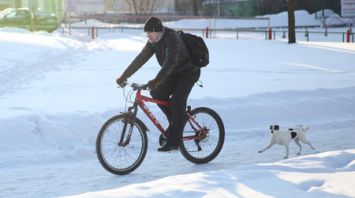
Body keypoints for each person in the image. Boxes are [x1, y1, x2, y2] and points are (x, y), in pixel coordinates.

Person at [116, 16, 200, 152]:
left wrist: (156, 80)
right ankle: (176, 123)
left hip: (188, 73)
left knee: (177, 101)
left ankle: (174, 141)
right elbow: (140, 58)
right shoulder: (153, 42)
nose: (148, 35)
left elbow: (170, 63)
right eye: (147, 33)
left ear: (158, 31)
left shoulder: (172, 38)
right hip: (173, 74)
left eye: (150, 32)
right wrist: (124, 76)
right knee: (156, 92)